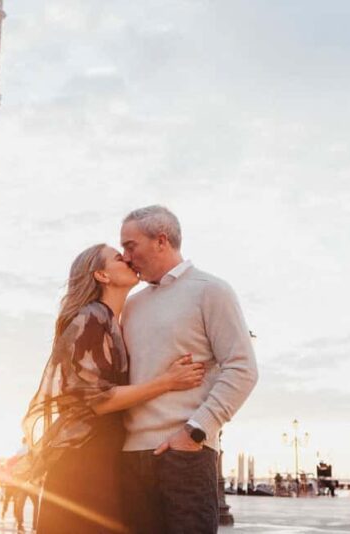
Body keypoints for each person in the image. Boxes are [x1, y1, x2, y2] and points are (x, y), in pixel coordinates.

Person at [22, 243, 206, 534]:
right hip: (84, 461)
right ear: (102, 276)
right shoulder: (91, 318)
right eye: (120, 258)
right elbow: (98, 400)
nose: (130, 260)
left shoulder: (113, 321)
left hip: (103, 453)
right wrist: (168, 381)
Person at [119, 205, 259, 534]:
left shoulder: (211, 290)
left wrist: (195, 431)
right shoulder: (132, 305)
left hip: (184, 456)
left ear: (161, 241)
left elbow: (242, 368)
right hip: (128, 458)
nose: (125, 256)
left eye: (130, 245)